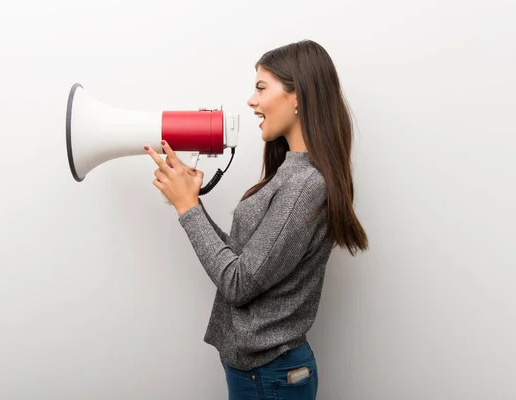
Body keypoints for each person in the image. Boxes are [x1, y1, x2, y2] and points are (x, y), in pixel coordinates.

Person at [144, 39, 368, 400]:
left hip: (270, 376)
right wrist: (189, 204)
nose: (251, 100)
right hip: (264, 374)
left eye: (261, 87)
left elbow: (238, 283)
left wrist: (188, 209)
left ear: (298, 96)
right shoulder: (291, 174)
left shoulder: (304, 184)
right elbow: (240, 260)